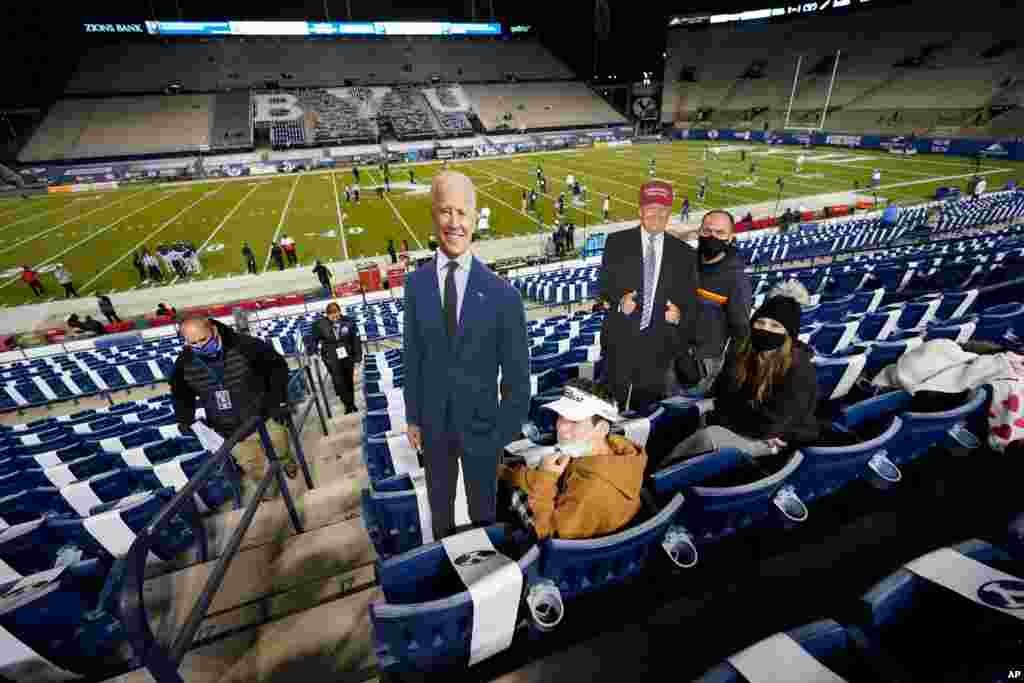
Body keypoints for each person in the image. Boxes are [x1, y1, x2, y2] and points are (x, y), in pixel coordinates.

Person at [403, 171, 531, 540]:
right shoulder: (415, 284)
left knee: (483, 513)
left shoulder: (503, 293)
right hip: (433, 424)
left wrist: (502, 431)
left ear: (475, 218)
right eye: (446, 212)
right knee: (439, 509)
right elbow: (413, 356)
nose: (454, 223)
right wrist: (413, 416)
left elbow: (517, 376)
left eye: (462, 213)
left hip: (482, 426)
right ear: (433, 215)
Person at [661, 284, 819, 466]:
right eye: (761, 322)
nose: (766, 329)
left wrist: (725, 415)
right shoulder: (743, 353)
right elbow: (722, 394)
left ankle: (654, 482)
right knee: (683, 419)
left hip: (777, 439)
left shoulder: (799, 370)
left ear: (788, 334)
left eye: (775, 325)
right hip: (745, 423)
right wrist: (726, 411)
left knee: (707, 438)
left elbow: (769, 426)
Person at [499, 379, 647, 540]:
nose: (560, 427)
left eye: (574, 421)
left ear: (602, 429)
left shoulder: (590, 492)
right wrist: (507, 473)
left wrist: (545, 479)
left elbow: (547, 536)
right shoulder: (611, 449)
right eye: (560, 417)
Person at [598, 180, 701, 411]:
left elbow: (691, 304)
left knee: (646, 412)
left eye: (663, 210)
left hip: (660, 347)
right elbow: (603, 288)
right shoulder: (617, 243)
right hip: (621, 342)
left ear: (670, 213)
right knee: (612, 408)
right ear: (640, 211)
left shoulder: (684, 254)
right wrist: (618, 304)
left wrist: (679, 316)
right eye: (651, 208)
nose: (657, 214)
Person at [171, 317, 298, 491]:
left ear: (214, 330)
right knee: (253, 466)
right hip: (229, 428)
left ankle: (286, 462)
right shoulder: (183, 363)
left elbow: (277, 368)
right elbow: (181, 394)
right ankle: (270, 491)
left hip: (264, 414)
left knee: (280, 447)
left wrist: (276, 401)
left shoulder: (246, 345)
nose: (200, 346)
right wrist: (184, 418)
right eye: (193, 343)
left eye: (203, 340)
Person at [688, 211, 752, 393]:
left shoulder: (736, 279)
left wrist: (728, 371)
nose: (712, 237)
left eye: (720, 233)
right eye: (707, 231)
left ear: (731, 237)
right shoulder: (686, 262)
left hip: (699, 363)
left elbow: (740, 332)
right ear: (699, 231)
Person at [311, 302, 363, 414]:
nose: (334, 317)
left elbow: (356, 340)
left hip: (347, 355)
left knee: (349, 380)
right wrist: (314, 352)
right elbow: (313, 340)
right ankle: (346, 404)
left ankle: (351, 403)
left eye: (336, 314)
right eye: (331, 315)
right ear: (327, 315)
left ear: (340, 311)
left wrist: (358, 357)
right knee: (339, 381)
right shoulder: (319, 325)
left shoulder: (349, 321)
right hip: (331, 357)